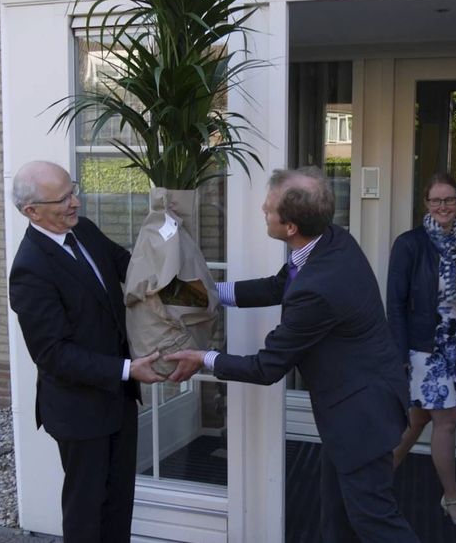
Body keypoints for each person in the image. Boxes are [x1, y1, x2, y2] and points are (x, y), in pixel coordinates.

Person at [164, 167, 418, 543]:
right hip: (350, 410)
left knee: (375, 522)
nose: (263, 212)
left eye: (268, 210)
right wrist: (199, 294)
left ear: (289, 227)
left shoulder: (319, 288)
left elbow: (266, 367)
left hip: (362, 417)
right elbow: (276, 287)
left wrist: (203, 358)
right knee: (337, 518)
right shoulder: (331, 240)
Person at [8, 160, 165, 543]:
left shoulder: (85, 231)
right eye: (64, 198)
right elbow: (54, 355)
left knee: (118, 503)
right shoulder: (30, 269)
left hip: (118, 400)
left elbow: (130, 268)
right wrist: (129, 370)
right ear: (32, 211)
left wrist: (179, 272)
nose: (76, 202)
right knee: (86, 509)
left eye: (73, 190)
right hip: (79, 410)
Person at [386, 172, 456, 529]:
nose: (443, 207)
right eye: (436, 200)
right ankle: (453, 498)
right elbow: (396, 303)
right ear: (426, 204)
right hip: (422, 348)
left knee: (418, 419)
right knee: (446, 420)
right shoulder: (410, 244)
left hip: (449, 345)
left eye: (449, 200)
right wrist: (399, 353)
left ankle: (376, 481)